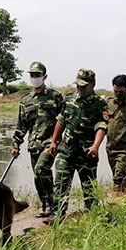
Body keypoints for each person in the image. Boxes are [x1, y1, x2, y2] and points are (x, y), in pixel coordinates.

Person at [48, 69, 109, 219]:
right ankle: (57, 216)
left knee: (89, 188)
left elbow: (101, 127)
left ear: (93, 85)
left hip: (86, 153)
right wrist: (54, 141)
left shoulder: (99, 104)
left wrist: (95, 146)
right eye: (78, 85)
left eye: (84, 86)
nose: (80, 88)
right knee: (60, 184)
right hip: (66, 150)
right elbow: (61, 121)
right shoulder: (69, 99)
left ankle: (91, 215)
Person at [11, 61, 65, 217]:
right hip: (34, 144)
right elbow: (21, 125)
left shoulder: (55, 97)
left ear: (44, 77)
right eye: (32, 75)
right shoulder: (26, 100)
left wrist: (61, 140)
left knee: (41, 169)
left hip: (50, 142)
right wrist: (15, 144)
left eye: (37, 75)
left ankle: (52, 204)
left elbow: (64, 120)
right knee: (37, 176)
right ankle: (44, 204)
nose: (34, 78)